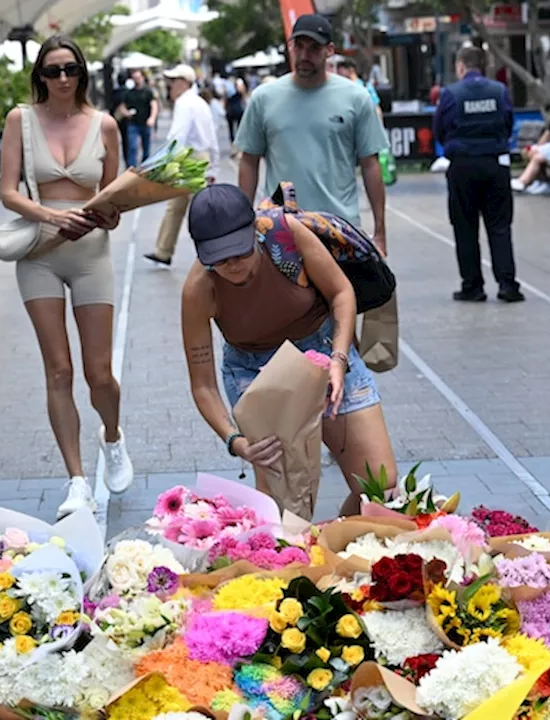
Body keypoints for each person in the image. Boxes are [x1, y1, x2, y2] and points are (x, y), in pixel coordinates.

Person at [180, 184, 397, 515]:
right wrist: (236, 442)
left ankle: (340, 545)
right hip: (256, 370)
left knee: (380, 488)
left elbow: (341, 293)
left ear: (254, 230)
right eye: (220, 260)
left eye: (240, 252)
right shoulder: (199, 290)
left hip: (324, 349)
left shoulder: (285, 235)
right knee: (283, 507)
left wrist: (339, 358)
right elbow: (203, 385)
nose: (233, 265)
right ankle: (304, 561)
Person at [0, 35, 134, 518]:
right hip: (39, 248)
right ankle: (76, 479)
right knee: (58, 369)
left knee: (100, 373)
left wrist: (109, 214)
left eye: (70, 69)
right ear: (39, 76)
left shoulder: (105, 125)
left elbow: (115, 199)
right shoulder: (20, 120)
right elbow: (8, 191)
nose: (62, 79)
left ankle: (112, 437)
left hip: (91, 251)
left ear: (82, 73)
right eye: (52, 71)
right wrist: (51, 216)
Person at [235, 14, 389, 253]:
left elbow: (370, 164)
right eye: (300, 47)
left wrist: (380, 233)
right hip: (281, 228)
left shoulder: (355, 98)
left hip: (339, 228)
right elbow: (248, 161)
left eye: (314, 48)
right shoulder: (264, 99)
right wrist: (244, 224)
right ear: (290, 46)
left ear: (329, 51)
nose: (305, 56)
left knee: (347, 291)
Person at [434, 45, 523, 303]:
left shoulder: (451, 93)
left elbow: (439, 128)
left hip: (462, 167)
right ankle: (508, 285)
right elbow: (508, 123)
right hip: (495, 165)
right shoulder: (499, 91)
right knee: (500, 227)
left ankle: (473, 286)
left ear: (461, 66)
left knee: (465, 228)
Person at [145, 64, 219, 267]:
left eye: (174, 80)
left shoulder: (184, 103)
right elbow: (212, 137)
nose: (170, 85)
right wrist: (214, 166)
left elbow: (177, 136)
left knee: (196, 210)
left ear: (184, 82)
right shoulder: (199, 102)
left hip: (188, 158)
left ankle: (213, 252)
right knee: (178, 207)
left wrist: (163, 163)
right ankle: (163, 251)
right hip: (199, 157)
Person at [117, 69, 158, 168]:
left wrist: (152, 118)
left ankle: (145, 167)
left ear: (142, 78)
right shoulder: (129, 93)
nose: (137, 80)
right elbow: (122, 106)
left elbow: (154, 105)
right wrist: (126, 113)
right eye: (135, 78)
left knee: (146, 148)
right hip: (133, 123)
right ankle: (132, 168)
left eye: (138, 78)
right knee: (133, 147)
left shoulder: (148, 92)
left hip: (145, 122)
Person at [335, 57, 383, 123]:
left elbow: (376, 108)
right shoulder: (339, 89)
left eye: (340, 73)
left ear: (351, 70)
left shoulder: (366, 86)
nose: (338, 76)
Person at [224, 76, 247, 143]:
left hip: (230, 111)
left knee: (231, 128)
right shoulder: (238, 92)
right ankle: (239, 141)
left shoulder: (228, 92)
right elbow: (243, 97)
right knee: (239, 127)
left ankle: (233, 141)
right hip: (238, 110)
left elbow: (225, 100)